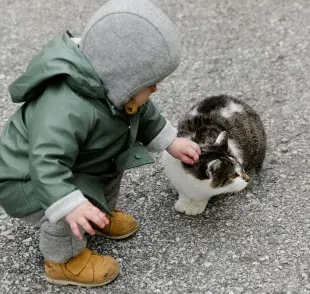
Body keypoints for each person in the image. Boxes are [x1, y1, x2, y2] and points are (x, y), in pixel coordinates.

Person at [0, 0, 200, 287]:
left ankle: (98, 214)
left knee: (109, 170)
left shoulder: (118, 91)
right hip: (29, 177)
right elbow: (46, 163)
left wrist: (170, 141)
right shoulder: (65, 107)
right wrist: (70, 204)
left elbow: (144, 113)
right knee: (66, 204)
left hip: (85, 161)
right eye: (149, 83)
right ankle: (62, 261)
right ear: (122, 78)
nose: (155, 88)